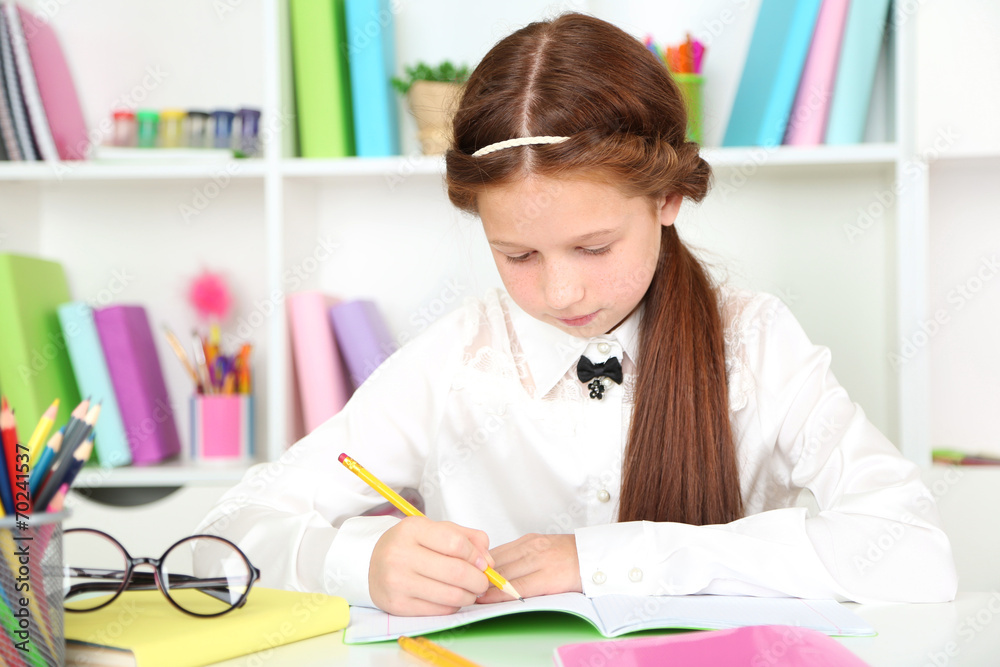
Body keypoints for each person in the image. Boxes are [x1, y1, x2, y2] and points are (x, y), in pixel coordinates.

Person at [196, 13, 956, 616]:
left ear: (668, 199)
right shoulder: (455, 357)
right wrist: (360, 563)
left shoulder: (755, 341)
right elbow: (217, 541)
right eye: (517, 256)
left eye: (593, 246)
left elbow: (914, 550)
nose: (561, 294)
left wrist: (606, 559)